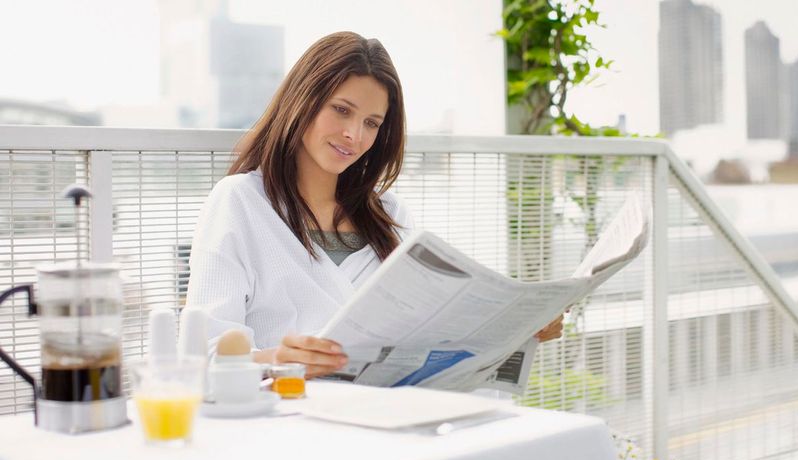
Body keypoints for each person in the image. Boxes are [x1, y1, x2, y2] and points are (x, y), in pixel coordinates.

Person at [186, 31, 564, 380]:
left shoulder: (390, 215)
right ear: (303, 101)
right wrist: (275, 360)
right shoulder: (240, 202)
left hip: (388, 415)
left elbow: (428, 332)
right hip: (291, 418)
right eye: (341, 110)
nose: (354, 135)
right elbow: (200, 358)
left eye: (372, 122)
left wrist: (515, 328)